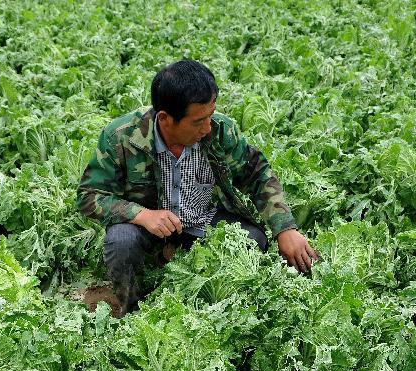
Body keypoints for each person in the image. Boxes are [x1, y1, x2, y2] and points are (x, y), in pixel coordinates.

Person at [77, 59, 318, 315]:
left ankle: (210, 304)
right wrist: (143, 215)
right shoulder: (121, 137)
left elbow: (257, 174)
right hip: (148, 228)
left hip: (202, 217)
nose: (207, 127)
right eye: (197, 121)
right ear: (165, 119)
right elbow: (89, 196)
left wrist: (285, 229)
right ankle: (133, 310)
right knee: (121, 241)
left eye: (210, 116)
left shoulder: (220, 130)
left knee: (253, 241)